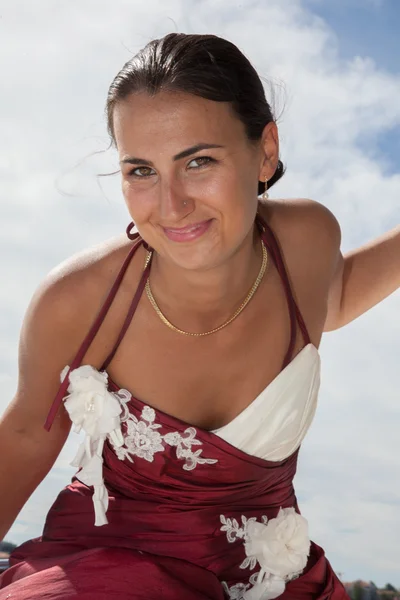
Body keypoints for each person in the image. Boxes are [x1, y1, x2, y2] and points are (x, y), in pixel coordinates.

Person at [0, 32, 398, 600]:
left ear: (265, 151)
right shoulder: (79, 303)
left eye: (199, 162)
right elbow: (22, 437)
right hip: (113, 573)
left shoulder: (305, 242)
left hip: (274, 580)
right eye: (140, 171)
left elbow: (333, 296)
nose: (171, 205)